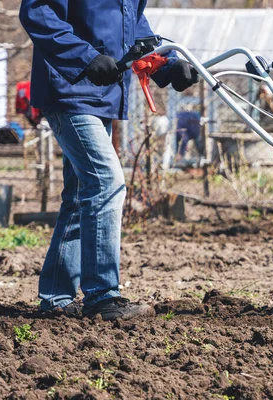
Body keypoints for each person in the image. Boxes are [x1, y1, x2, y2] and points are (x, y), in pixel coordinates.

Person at [19, 0, 199, 320]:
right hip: (68, 87)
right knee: (106, 181)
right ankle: (102, 295)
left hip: (101, 94)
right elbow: (38, 13)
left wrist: (167, 66)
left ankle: (56, 297)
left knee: (79, 196)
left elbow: (131, 26)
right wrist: (86, 57)